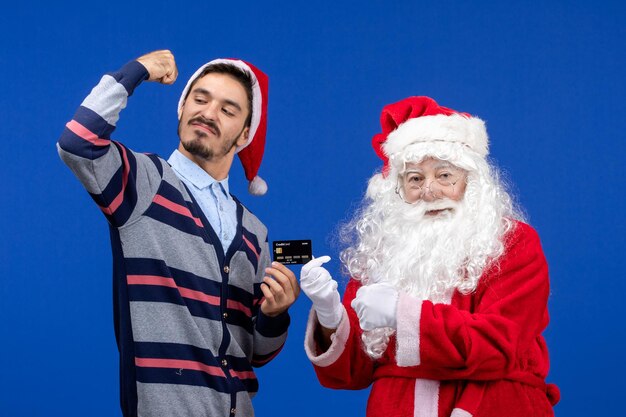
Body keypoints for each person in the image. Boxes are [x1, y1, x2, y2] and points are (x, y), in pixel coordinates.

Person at [57, 50, 299, 417]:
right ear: (182, 107)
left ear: (245, 134)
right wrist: (135, 72)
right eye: (200, 99)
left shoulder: (254, 232)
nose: (208, 112)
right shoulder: (143, 183)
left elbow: (258, 353)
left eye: (228, 109)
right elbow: (78, 143)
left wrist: (276, 313)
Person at [300, 96, 559, 417]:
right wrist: (329, 317)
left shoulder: (512, 241)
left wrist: (404, 312)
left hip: (490, 405)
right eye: (415, 179)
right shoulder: (384, 251)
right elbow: (354, 371)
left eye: (444, 175)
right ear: (398, 190)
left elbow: (499, 344)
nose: (429, 190)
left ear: (471, 181)